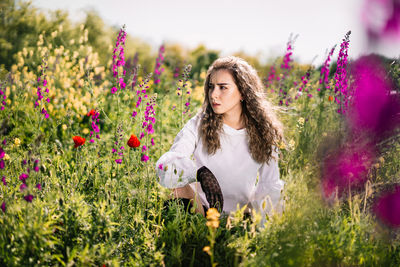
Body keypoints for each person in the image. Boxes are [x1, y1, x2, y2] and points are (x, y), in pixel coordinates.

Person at [155, 56, 285, 227]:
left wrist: (261, 230)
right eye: (211, 87)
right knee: (179, 188)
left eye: (223, 87)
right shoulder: (198, 123)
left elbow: (269, 186)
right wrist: (198, 174)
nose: (214, 94)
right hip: (200, 211)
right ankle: (194, 235)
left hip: (240, 216)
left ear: (243, 92)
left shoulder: (264, 132)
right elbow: (169, 165)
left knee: (276, 200)